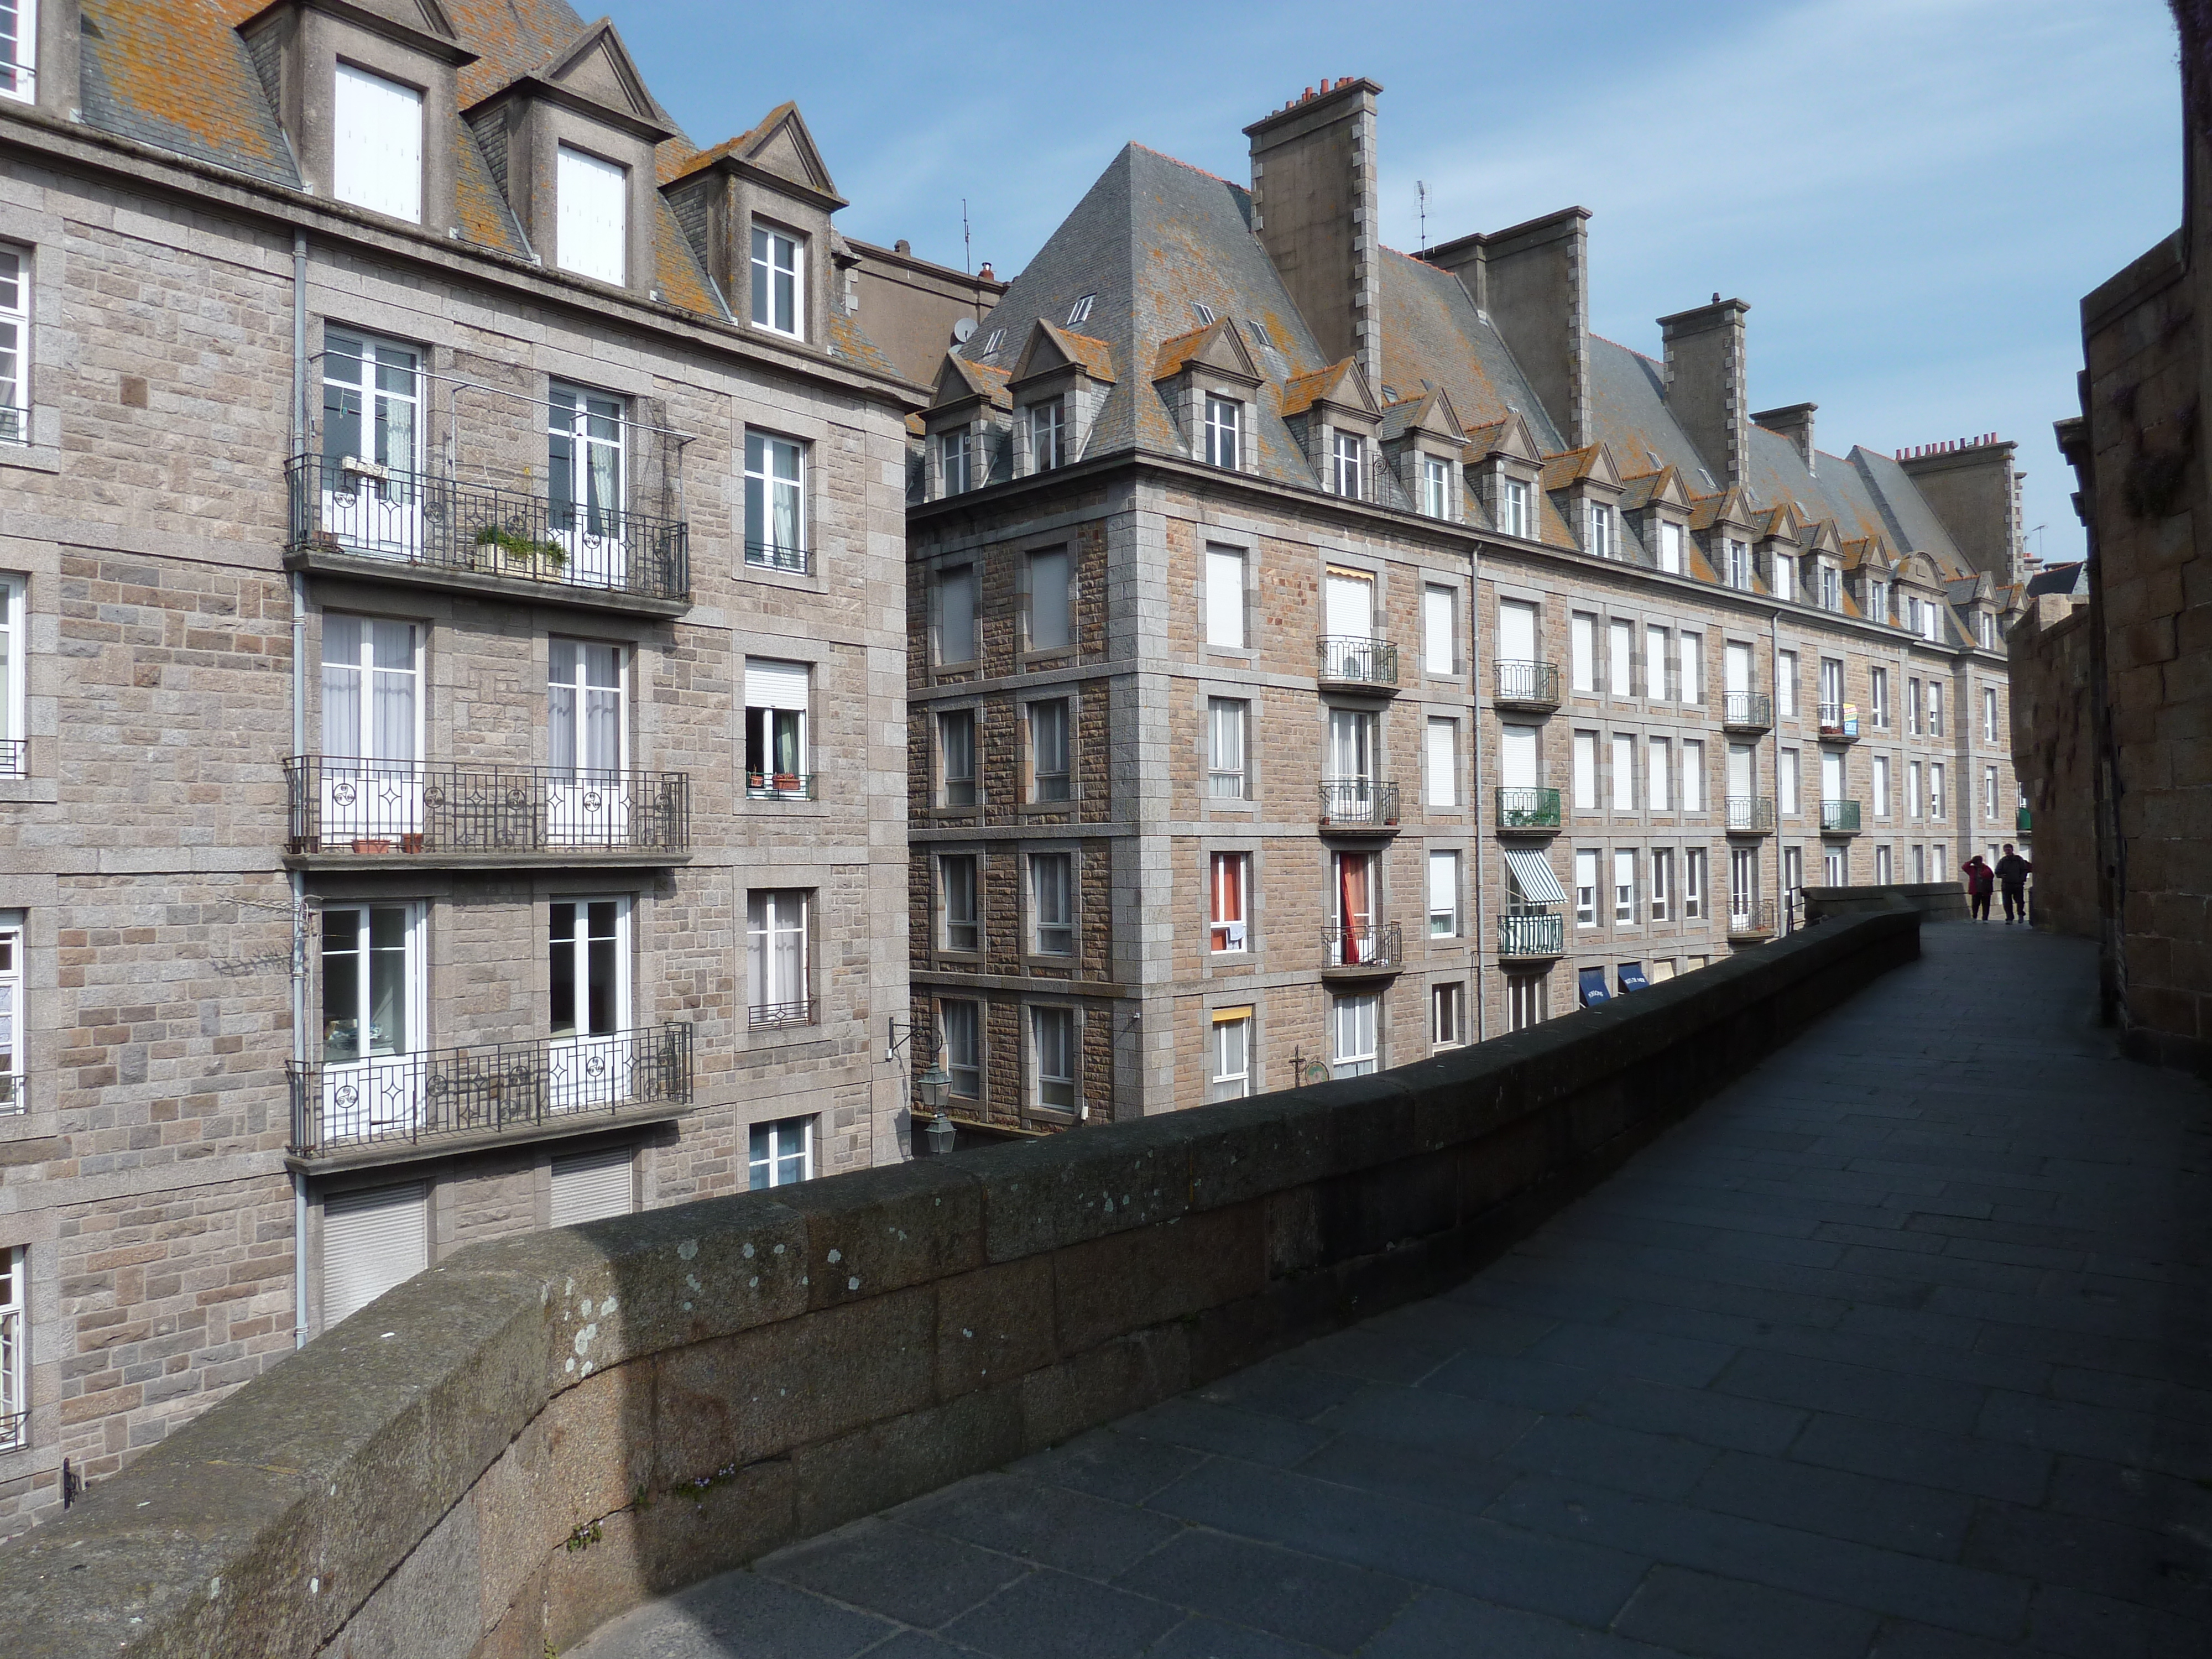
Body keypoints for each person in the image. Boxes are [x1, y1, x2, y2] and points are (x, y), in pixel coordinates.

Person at [1994, 844, 2033, 924]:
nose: (2007, 852)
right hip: (2007, 884)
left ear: (2012, 850)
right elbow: (1997, 872)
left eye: (2009, 850)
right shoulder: (2003, 861)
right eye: (2006, 850)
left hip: (2018, 884)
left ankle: (2020, 914)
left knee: (2020, 901)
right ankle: (2009, 918)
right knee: (2007, 902)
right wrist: (2002, 876)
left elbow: (2024, 870)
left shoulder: (2019, 860)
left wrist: (2021, 879)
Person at [1961, 854, 1994, 921]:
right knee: (1975, 905)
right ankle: (1974, 917)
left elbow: (1990, 875)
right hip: (1976, 890)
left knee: (1986, 905)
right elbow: (1964, 867)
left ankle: (1985, 918)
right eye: (1976, 863)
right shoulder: (1972, 869)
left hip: (1985, 889)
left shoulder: (1986, 868)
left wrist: (1982, 875)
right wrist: (1971, 861)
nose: (1977, 864)